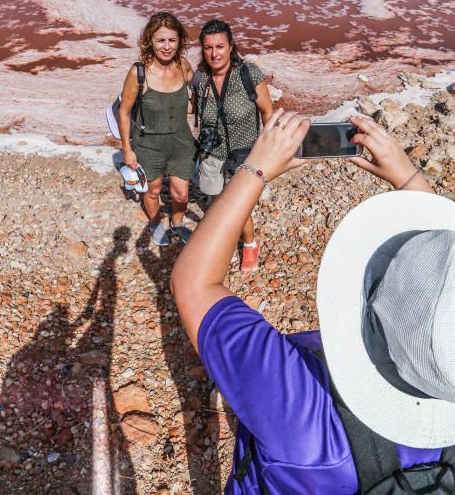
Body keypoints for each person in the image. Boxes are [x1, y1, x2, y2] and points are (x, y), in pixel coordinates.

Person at [171, 111, 455, 493]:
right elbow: (441, 313)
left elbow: (195, 283)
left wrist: (255, 170)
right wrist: (408, 179)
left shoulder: (300, 403)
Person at [193, 19, 273, 272]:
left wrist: (267, 152)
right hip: (211, 154)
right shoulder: (199, 80)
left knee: (238, 206)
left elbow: (267, 112)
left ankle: (249, 245)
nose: (214, 53)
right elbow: (189, 110)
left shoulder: (248, 74)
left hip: (243, 154)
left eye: (220, 46)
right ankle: (222, 243)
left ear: (231, 47)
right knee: (216, 202)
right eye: (208, 48)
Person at [118, 11, 197, 246]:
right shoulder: (138, 72)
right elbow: (124, 112)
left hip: (182, 142)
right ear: (149, 41)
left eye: (172, 40)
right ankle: (154, 224)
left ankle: (178, 224)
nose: (166, 46)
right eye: (160, 40)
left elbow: (196, 97)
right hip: (149, 144)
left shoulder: (183, 66)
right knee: (152, 192)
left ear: (180, 41)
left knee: (181, 193)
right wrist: (127, 150)